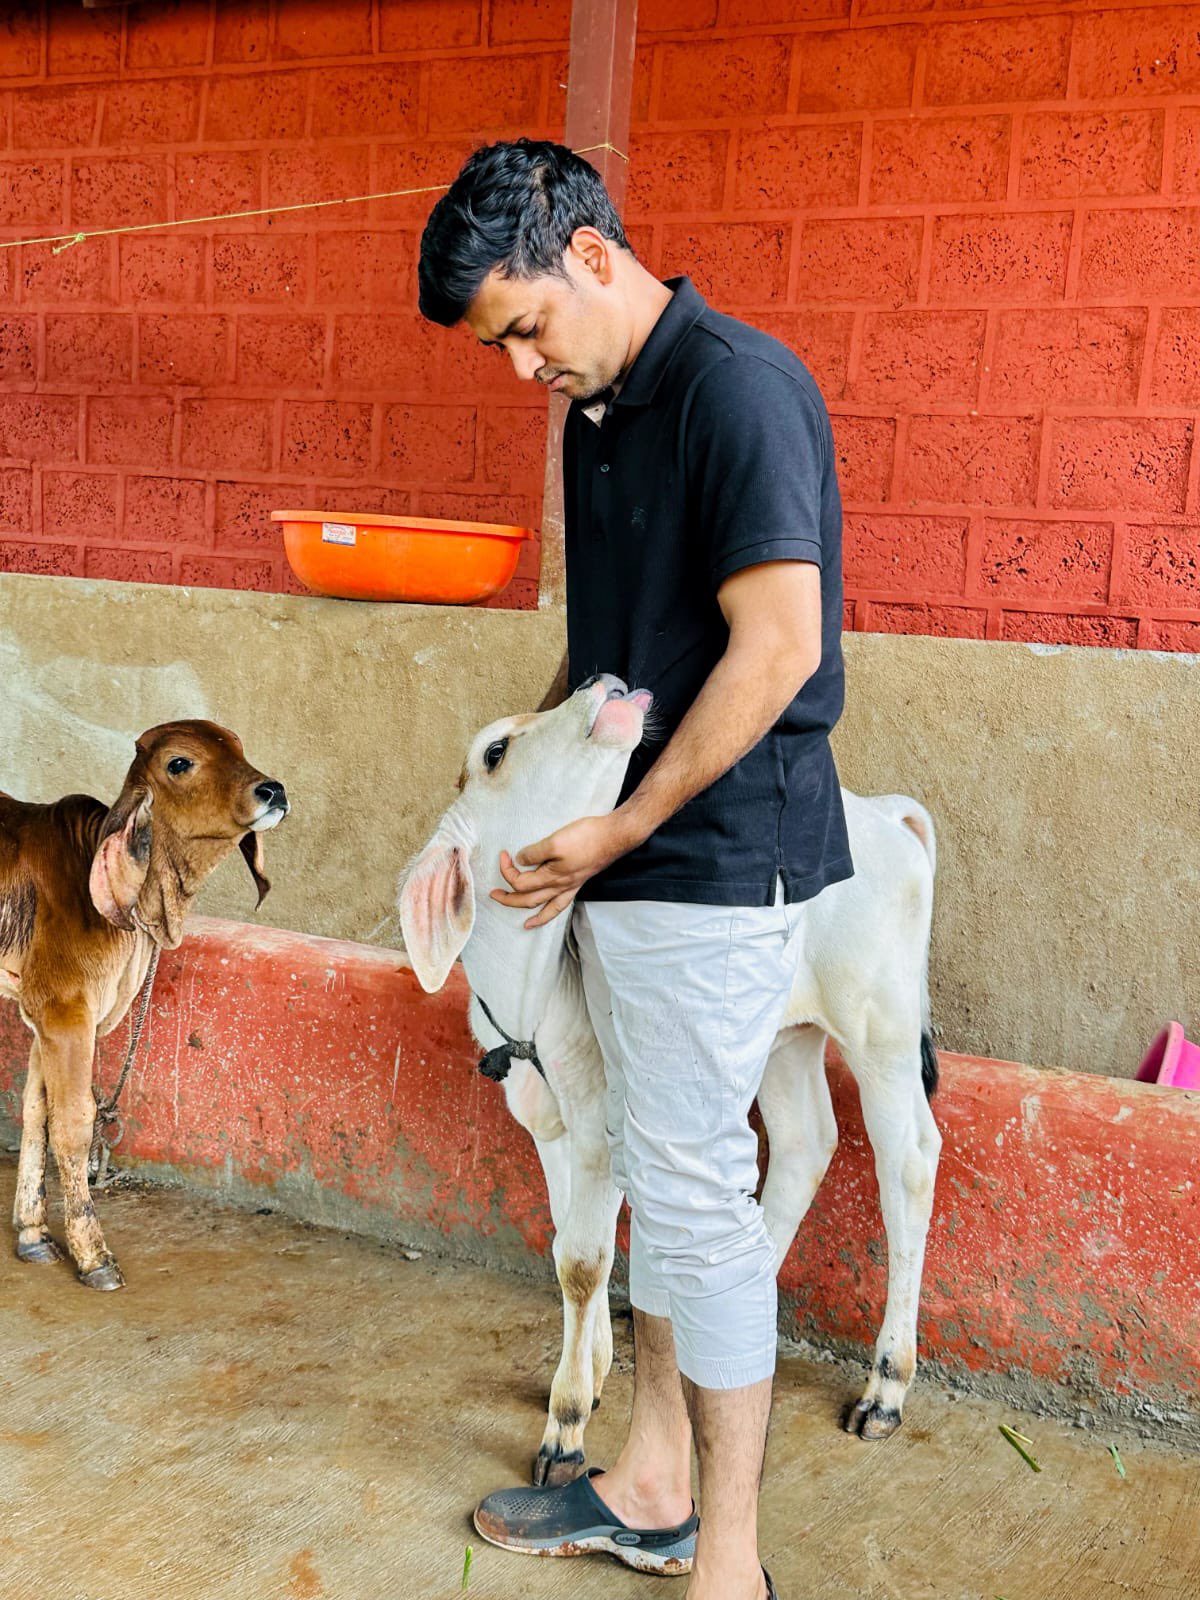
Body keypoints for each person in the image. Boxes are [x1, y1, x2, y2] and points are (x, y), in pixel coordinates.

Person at [417, 139, 852, 1600]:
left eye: (525, 327)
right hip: (627, 856)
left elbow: (778, 645)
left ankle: (726, 1561)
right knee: (663, 1183)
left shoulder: (735, 387)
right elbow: (607, 662)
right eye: (502, 349)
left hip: (714, 856)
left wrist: (623, 822)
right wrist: (541, 792)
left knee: (690, 1189)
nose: (521, 366)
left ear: (592, 254)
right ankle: (654, 1481)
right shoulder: (599, 409)